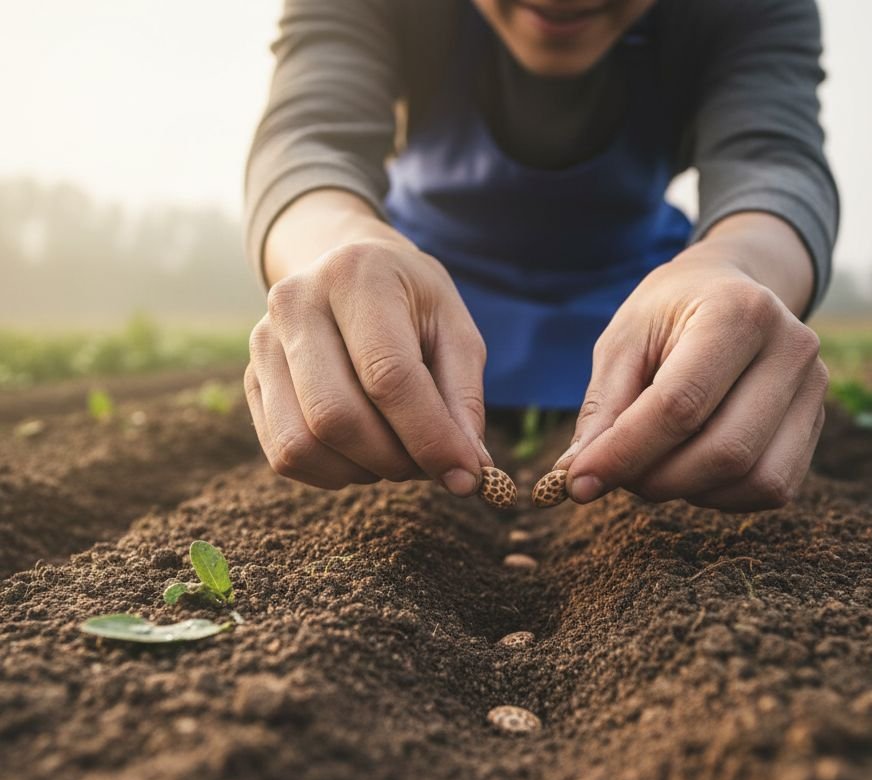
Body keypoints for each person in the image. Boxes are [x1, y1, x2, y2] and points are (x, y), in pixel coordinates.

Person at [243, 0, 838, 511]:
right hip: (417, 309)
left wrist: (733, 270)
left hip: (639, 318)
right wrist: (341, 252)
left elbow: (773, 163)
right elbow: (308, 138)